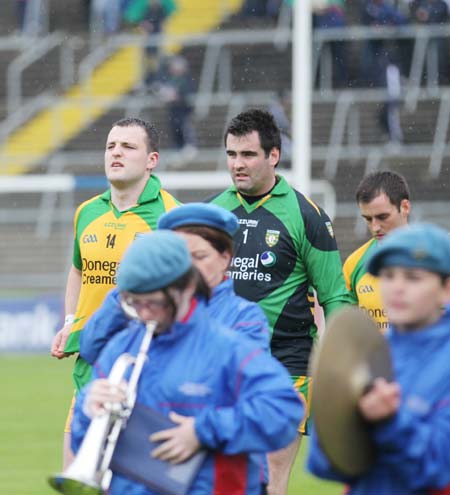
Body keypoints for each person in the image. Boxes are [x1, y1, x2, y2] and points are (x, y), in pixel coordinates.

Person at [71, 230, 304, 495]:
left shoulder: (228, 348)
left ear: (185, 288)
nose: (144, 312)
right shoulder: (120, 348)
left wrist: (203, 431)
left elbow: (284, 412)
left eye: (155, 302)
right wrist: (88, 409)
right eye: (134, 302)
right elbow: (85, 445)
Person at [210, 108, 350, 495]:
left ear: (273, 155)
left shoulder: (308, 216)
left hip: (287, 362)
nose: (237, 164)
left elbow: (335, 295)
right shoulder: (211, 214)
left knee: (271, 473)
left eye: (248, 155)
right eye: (231, 154)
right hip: (224, 363)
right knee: (223, 473)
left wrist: (342, 359)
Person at [50, 117, 180, 467]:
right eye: (110, 146)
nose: (116, 153)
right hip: (90, 368)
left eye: (128, 146)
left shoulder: (174, 218)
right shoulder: (86, 212)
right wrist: (69, 321)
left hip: (146, 372)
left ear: (152, 160)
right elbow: (78, 270)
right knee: (77, 478)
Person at [307, 222, 450, 494]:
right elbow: (322, 465)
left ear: (446, 288)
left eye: (412, 277)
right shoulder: (364, 355)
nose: (397, 287)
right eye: (388, 276)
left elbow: (438, 468)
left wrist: (390, 422)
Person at [80, 202, 270, 367]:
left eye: (200, 256)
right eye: (180, 257)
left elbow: (248, 382)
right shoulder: (152, 305)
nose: (189, 266)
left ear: (225, 259)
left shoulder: (245, 316)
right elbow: (91, 349)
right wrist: (131, 286)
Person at [343, 171, 410, 332]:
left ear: (405, 207)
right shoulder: (354, 263)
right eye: (368, 219)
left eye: (383, 217)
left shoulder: (436, 257)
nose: (375, 227)